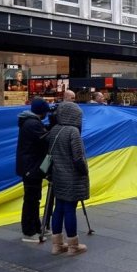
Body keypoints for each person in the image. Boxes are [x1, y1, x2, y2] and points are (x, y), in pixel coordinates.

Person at [48, 102, 90, 256]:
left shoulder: (54, 130)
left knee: (58, 208)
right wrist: (84, 171)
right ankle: (73, 245)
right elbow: (78, 157)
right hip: (72, 177)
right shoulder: (73, 132)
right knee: (70, 209)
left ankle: (57, 244)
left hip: (58, 175)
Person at [16, 98, 50, 242]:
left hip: (31, 166)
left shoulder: (31, 122)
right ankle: (29, 232)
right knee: (31, 199)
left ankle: (36, 226)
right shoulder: (33, 124)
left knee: (34, 199)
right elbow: (46, 140)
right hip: (31, 167)